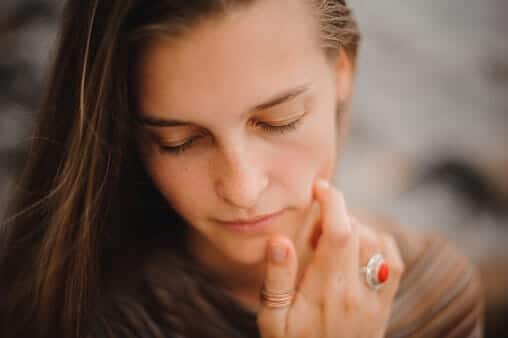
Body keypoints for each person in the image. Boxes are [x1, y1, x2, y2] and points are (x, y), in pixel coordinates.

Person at [0, 0, 484, 337]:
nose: (243, 188)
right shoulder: (91, 318)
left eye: (279, 121)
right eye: (180, 141)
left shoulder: (438, 296)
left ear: (343, 73)